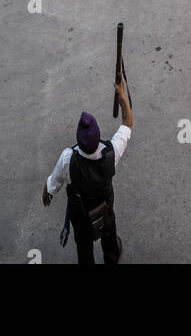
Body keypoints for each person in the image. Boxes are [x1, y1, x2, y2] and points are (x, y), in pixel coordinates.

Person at [42, 81, 133, 265]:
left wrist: (49, 191)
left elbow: (55, 181)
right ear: (98, 134)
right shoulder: (111, 152)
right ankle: (111, 256)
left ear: (78, 138)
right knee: (109, 232)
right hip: (104, 205)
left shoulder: (68, 158)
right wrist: (122, 97)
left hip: (80, 212)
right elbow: (127, 123)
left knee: (83, 246)